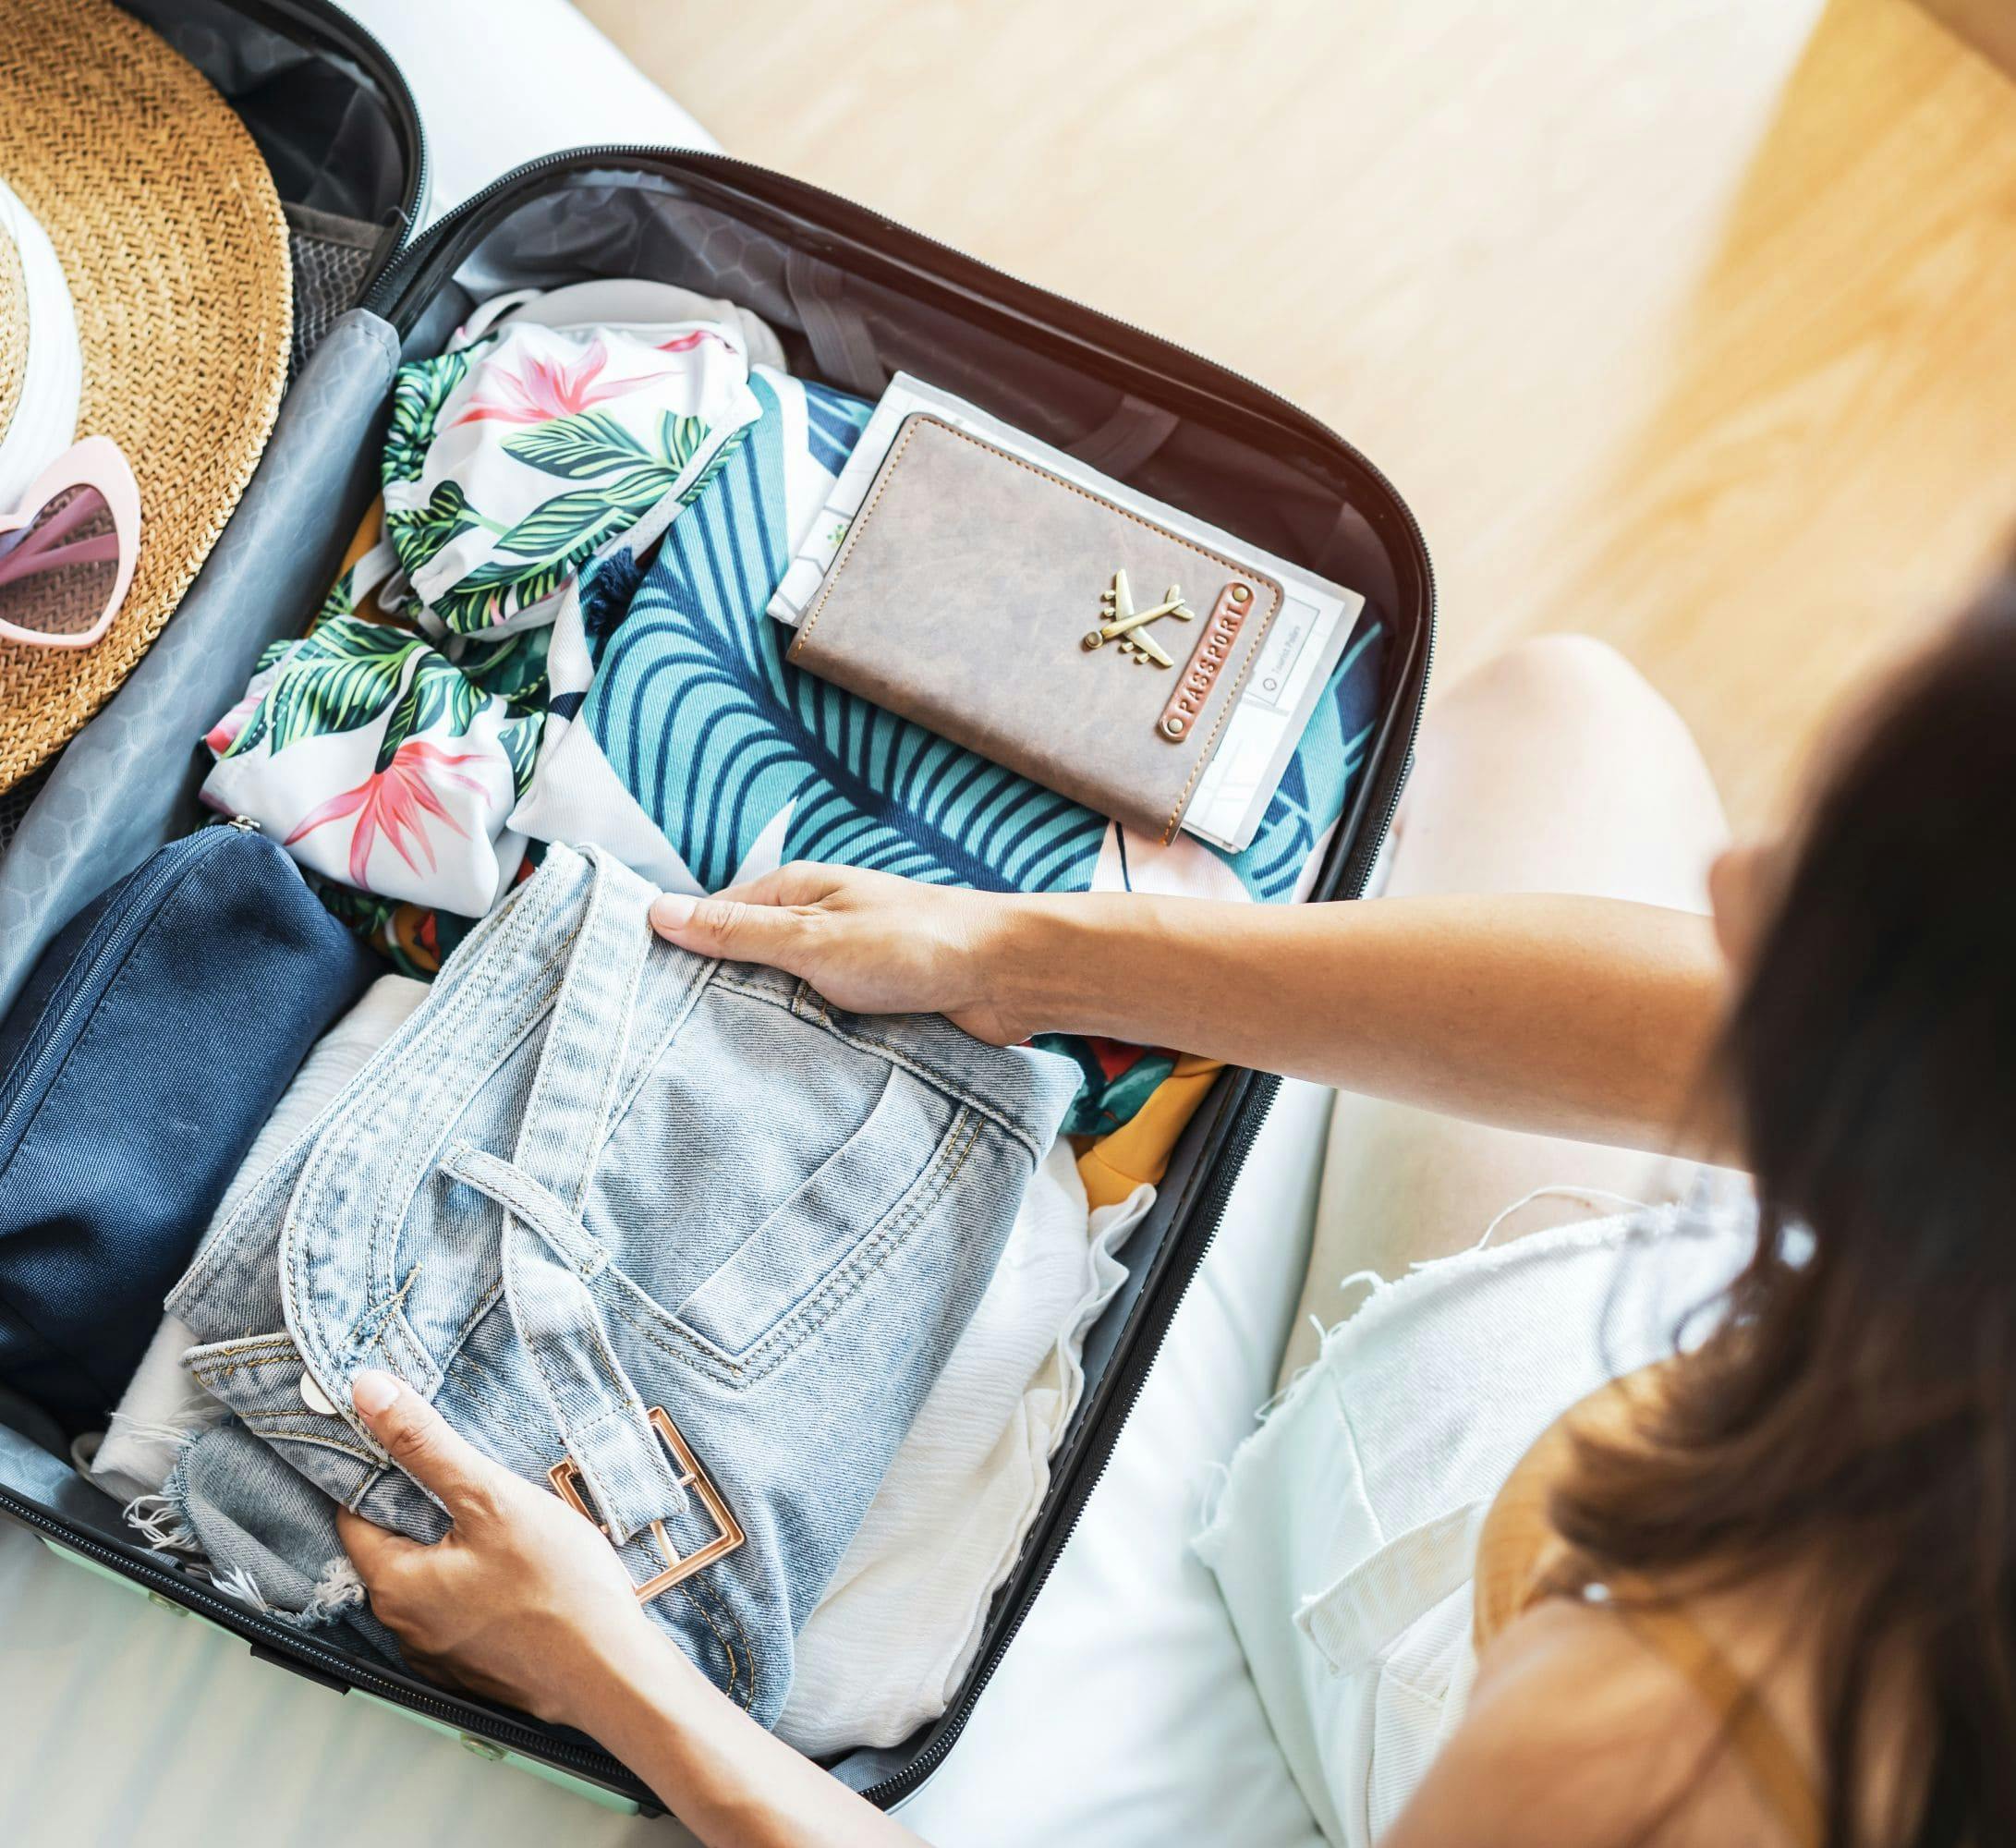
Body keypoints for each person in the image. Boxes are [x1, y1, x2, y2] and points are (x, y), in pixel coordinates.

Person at [336, 583, 2016, 1847]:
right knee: (1568, 709)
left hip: (1463, 1598)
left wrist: (604, 1675)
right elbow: (1702, 1025)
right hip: (1684, 1369)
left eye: (1830, 898)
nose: (1732, 879)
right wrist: (1008, 955)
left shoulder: (1667, 1747)